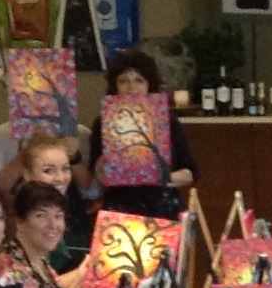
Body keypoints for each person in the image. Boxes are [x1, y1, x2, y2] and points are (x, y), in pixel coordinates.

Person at [82, 49, 196, 220]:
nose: (131, 87)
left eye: (139, 80)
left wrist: (160, 178)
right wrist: (106, 166)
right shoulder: (103, 122)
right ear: (115, 86)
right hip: (120, 209)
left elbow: (191, 171)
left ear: (149, 85)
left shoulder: (168, 121)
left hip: (163, 207)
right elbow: (97, 174)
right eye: (123, 81)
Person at [2, 179, 78, 288]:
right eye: (41, 216)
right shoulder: (11, 270)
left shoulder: (42, 265)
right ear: (19, 221)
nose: (53, 225)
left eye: (58, 216)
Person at [10, 133, 89, 282]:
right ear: (27, 174)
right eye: (48, 170)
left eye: (65, 169)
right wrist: (80, 274)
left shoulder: (71, 210)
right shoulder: (19, 215)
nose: (60, 178)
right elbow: (30, 287)